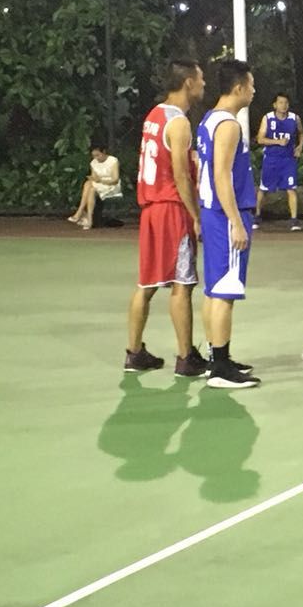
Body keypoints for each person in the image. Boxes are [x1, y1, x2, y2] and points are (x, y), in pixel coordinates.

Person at [125, 60, 207, 378]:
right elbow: (180, 175)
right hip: (172, 208)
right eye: (200, 79)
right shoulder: (179, 123)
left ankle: (134, 352)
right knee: (182, 284)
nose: (203, 84)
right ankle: (186, 358)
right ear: (188, 83)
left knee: (146, 284)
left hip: (150, 208)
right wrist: (195, 215)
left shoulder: (154, 116)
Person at [195, 60, 261, 389]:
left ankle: (217, 356)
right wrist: (236, 221)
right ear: (238, 88)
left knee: (214, 289)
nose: (254, 90)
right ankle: (220, 369)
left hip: (212, 212)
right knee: (225, 290)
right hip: (225, 214)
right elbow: (221, 175)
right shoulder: (229, 125)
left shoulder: (209, 120)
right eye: (251, 85)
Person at [255, 92, 303, 232]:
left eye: (286, 103)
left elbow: (301, 132)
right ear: (275, 105)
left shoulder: (294, 118)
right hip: (271, 158)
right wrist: (277, 142)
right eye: (281, 102)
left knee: (291, 188)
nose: (284, 105)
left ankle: (294, 219)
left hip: (288, 159)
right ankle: (257, 215)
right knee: (264, 188)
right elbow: (260, 139)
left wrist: (300, 147)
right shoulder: (268, 118)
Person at [69, 143, 122, 230]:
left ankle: (80, 212)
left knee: (90, 186)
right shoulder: (93, 162)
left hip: (111, 185)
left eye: (98, 155)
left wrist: (100, 180)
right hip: (98, 185)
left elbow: (115, 179)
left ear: (104, 152)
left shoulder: (113, 160)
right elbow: (94, 178)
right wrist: (95, 179)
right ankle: (89, 219)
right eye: (94, 156)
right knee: (89, 185)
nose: (96, 158)